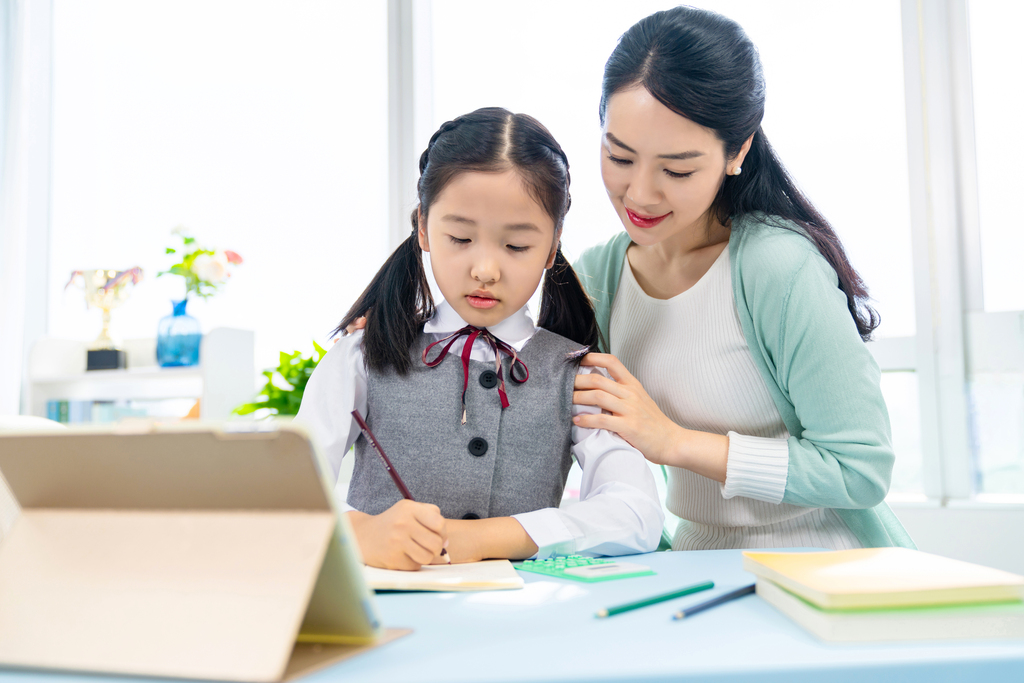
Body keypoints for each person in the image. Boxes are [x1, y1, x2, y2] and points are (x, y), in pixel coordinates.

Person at [572, 7, 914, 551]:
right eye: (619, 156)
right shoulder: (598, 275)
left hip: (828, 564)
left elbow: (861, 469)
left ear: (738, 151)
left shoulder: (778, 267)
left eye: (678, 170)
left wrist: (675, 442)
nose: (639, 193)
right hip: (692, 565)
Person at [296, 107, 663, 570]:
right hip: (384, 614)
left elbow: (637, 514)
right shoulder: (363, 354)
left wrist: (486, 537)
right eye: (460, 238)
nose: (485, 270)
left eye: (516, 246)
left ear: (553, 247)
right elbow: (283, 499)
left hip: (520, 624)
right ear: (424, 229)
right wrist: (358, 533)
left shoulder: (577, 374)